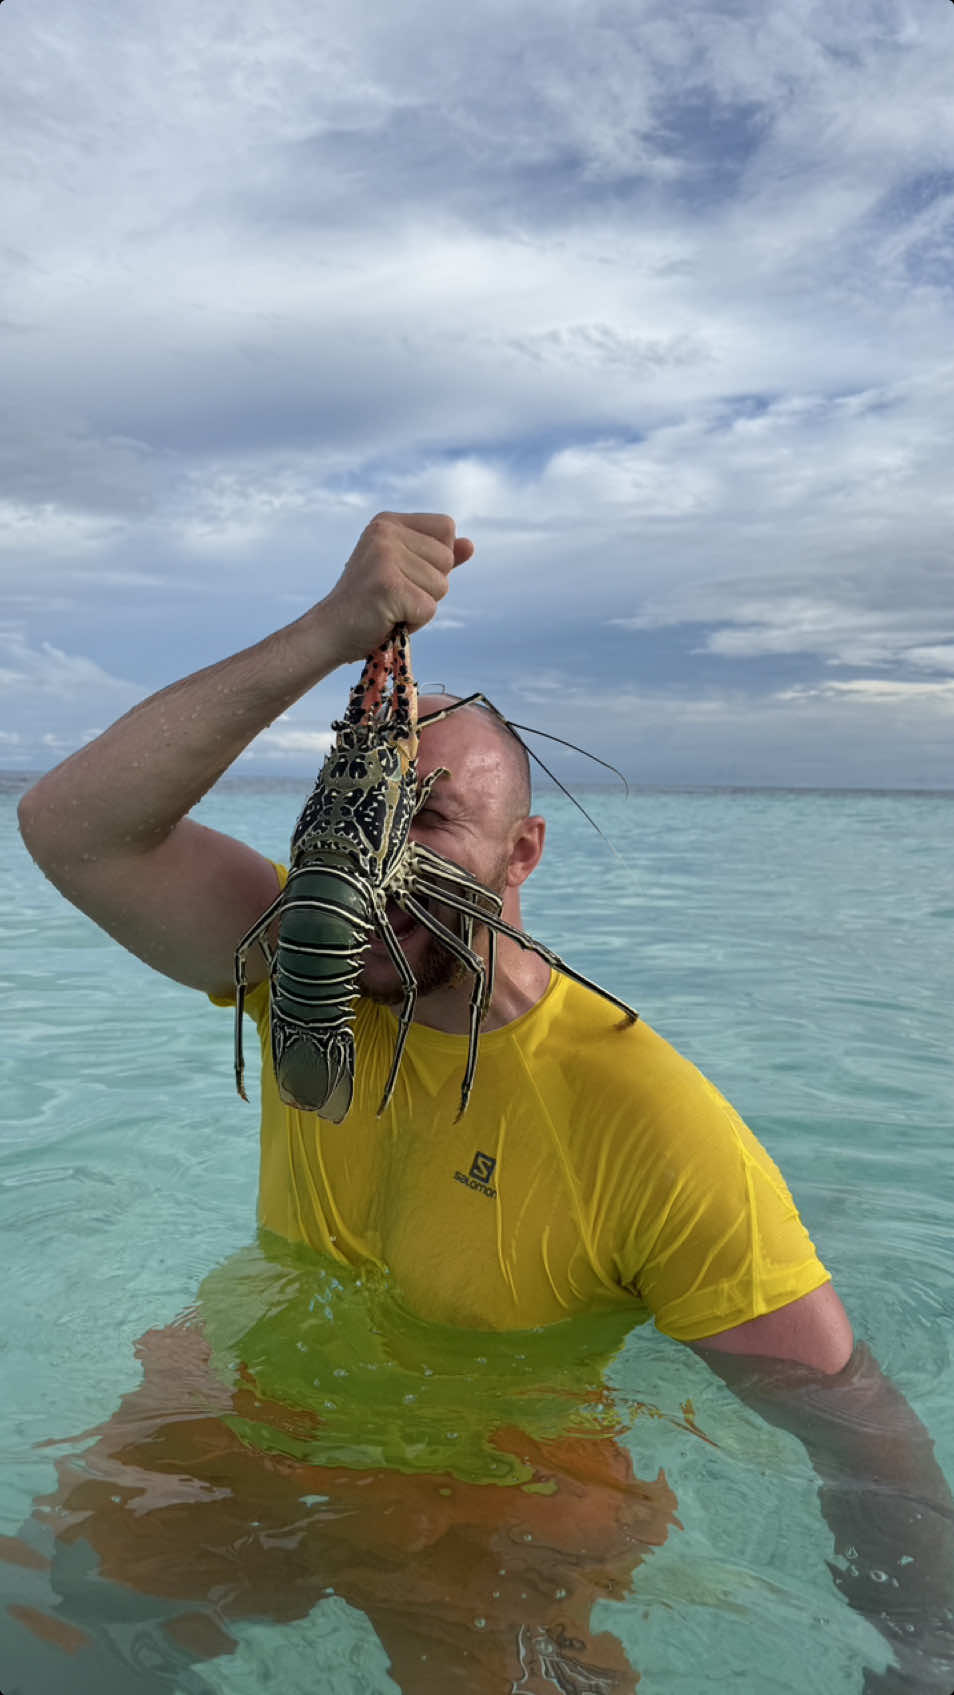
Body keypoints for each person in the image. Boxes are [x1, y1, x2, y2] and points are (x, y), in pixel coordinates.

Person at [12, 513, 954, 1693]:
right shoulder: (302, 962)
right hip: (260, 1413)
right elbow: (73, 826)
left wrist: (919, 1650)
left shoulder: (646, 1118)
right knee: (40, 1626)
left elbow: (855, 1424)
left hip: (497, 1476)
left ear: (524, 852)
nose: (381, 861)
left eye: (438, 820)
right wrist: (324, 635)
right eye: (360, 823)